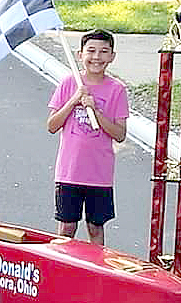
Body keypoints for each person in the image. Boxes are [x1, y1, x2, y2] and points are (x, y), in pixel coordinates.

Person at [46, 28, 129, 246]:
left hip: (99, 174)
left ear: (112, 56)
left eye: (103, 52)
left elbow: (119, 134)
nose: (96, 57)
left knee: (95, 227)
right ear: (79, 54)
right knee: (67, 227)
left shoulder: (116, 90)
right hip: (69, 172)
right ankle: (61, 270)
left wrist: (97, 112)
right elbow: (52, 125)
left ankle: (97, 272)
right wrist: (73, 101)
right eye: (91, 51)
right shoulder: (68, 84)